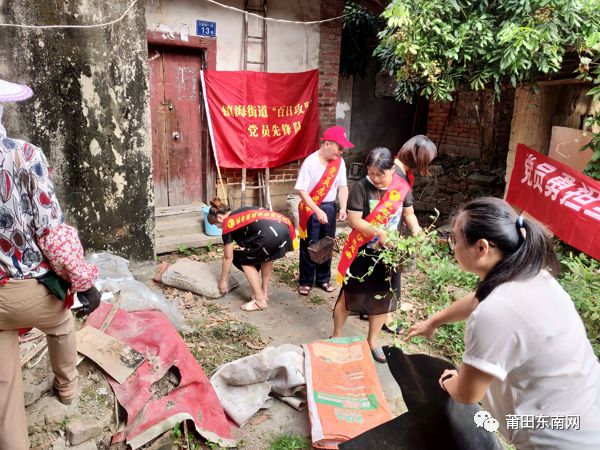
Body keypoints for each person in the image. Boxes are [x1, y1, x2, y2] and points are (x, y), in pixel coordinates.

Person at [405, 197, 600, 449]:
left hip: (559, 439)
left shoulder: (496, 312)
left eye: (455, 239)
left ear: (482, 247)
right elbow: (478, 298)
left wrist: (448, 381)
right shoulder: (531, 274)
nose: (451, 247)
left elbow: (467, 393)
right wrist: (433, 321)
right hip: (584, 410)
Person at [0, 78, 101, 450]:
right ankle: (67, 388)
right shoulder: (24, 155)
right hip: (24, 291)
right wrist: (84, 282)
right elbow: (51, 232)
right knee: (60, 322)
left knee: (3, 379)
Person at [333, 147, 419, 363]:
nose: (376, 178)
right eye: (371, 173)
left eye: (380, 174)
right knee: (349, 293)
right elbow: (354, 220)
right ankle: (336, 335)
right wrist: (377, 231)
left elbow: (408, 213)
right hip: (363, 251)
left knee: (383, 297)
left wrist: (417, 232)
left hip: (389, 255)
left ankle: (372, 340)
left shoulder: (401, 187)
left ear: (392, 169)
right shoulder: (361, 188)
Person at [381, 134, 437, 332]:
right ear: (417, 158)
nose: (427, 165)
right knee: (387, 276)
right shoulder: (394, 175)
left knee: (387, 275)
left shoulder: (402, 172)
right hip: (382, 235)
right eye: (426, 161)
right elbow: (405, 212)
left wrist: (418, 231)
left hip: (390, 233)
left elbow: (408, 211)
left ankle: (374, 312)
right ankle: (385, 319)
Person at [207, 198, 297, 311]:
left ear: (220, 218)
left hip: (269, 235)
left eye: (216, 225)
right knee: (266, 257)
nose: (219, 228)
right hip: (284, 229)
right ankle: (264, 293)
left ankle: (260, 301)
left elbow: (228, 257)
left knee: (245, 262)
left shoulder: (228, 223)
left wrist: (223, 280)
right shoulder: (242, 211)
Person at [295, 125, 351, 296]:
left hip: (329, 206)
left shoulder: (339, 163)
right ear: (327, 144)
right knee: (310, 244)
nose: (341, 151)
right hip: (311, 206)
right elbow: (302, 190)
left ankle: (323, 279)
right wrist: (317, 210)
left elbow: (343, 186)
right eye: (339, 147)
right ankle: (305, 281)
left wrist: (343, 206)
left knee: (327, 242)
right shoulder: (310, 162)